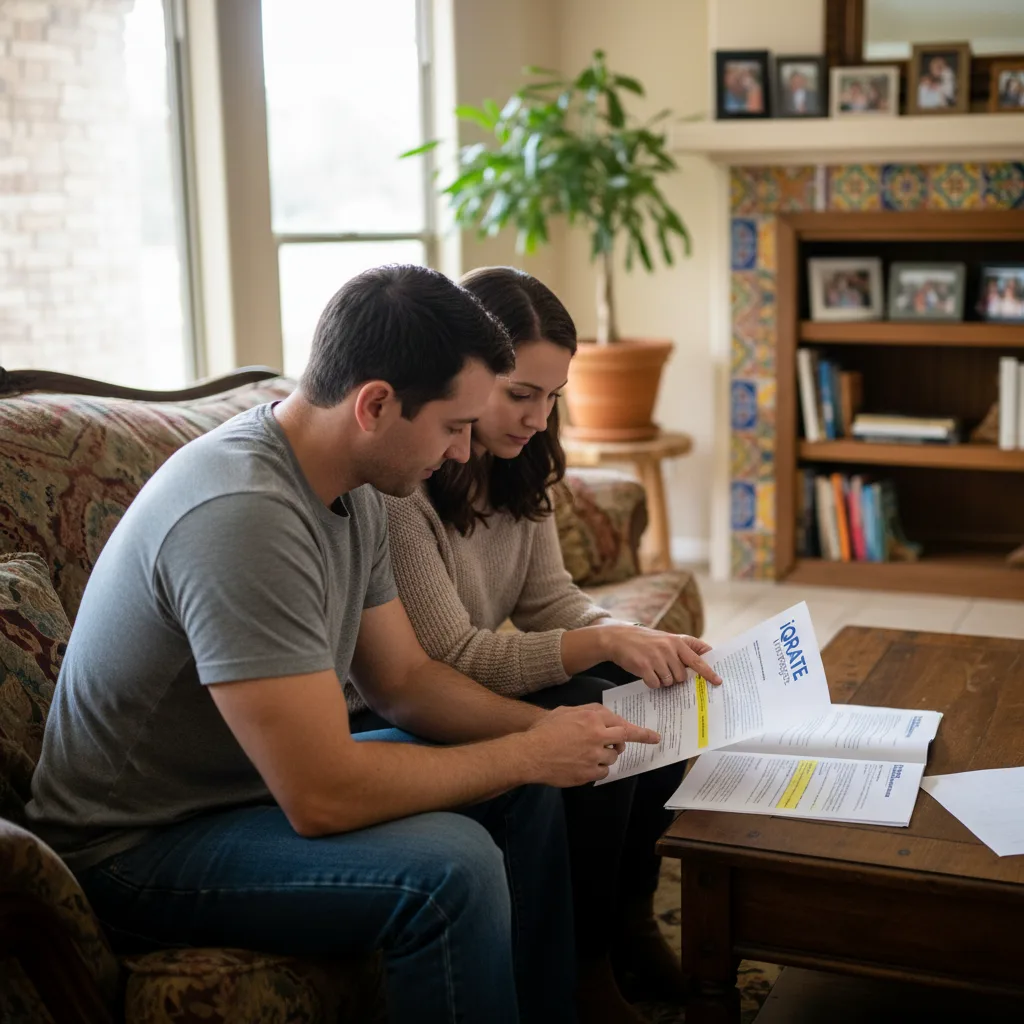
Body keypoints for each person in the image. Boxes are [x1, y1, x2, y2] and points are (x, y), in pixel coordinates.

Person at [26, 265, 661, 1023]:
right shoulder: (245, 515)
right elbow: (322, 794)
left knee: (529, 788)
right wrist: (526, 751)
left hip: (246, 791)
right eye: (454, 426)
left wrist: (552, 738)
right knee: (451, 872)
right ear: (376, 404)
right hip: (139, 845)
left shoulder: (351, 488)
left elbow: (405, 681)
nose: (463, 454)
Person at [370, 267, 723, 1023]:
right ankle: (586, 967)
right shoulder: (401, 485)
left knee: (654, 689)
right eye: (521, 394)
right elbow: (450, 657)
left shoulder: (522, 464)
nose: (539, 416)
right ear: (468, 378)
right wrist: (595, 647)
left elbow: (549, 601)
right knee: (600, 710)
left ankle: (629, 919)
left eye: (554, 395)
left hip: (471, 674)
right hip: (408, 696)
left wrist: (630, 638)